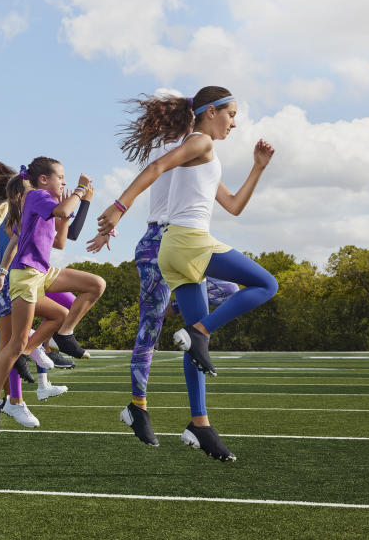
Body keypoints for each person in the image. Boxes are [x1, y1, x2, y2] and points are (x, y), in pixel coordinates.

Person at [96, 87, 277, 460]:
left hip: (174, 252)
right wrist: (118, 208)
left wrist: (258, 167)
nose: (235, 121)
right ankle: (194, 337)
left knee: (192, 346)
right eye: (230, 113)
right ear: (209, 112)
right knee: (265, 284)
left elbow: (233, 205)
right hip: (185, 242)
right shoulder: (197, 143)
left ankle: (200, 422)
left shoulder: (202, 153)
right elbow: (157, 167)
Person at [0, 157, 106, 435]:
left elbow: (61, 240)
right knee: (11, 346)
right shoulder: (35, 198)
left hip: (39, 272)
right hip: (22, 278)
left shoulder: (41, 207)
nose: (64, 182)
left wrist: (79, 205)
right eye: (60, 177)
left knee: (91, 289)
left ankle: (49, 343)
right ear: (42, 180)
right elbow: (3, 244)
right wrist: (79, 191)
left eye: (66, 178)